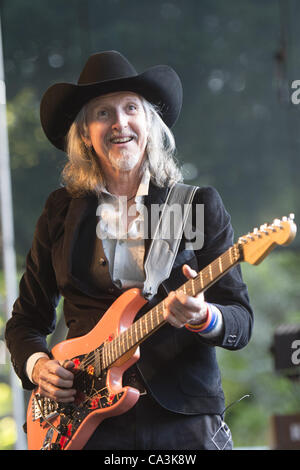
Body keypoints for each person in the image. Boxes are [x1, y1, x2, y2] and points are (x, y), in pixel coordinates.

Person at [5, 51, 253, 450]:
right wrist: (39, 367)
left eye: (131, 108)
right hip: (85, 423)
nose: (120, 123)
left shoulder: (195, 205)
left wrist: (204, 317)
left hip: (182, 422)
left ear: (149, 124)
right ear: (85, 132)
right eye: (103, 113)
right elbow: (25, 322)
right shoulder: (60, 211)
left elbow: (240, 319)